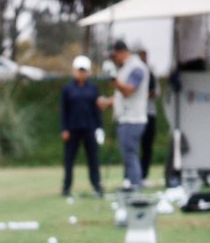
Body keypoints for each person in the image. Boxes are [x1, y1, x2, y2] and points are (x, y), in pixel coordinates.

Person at [98, 39, 148, 189]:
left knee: (130, 155)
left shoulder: (136, 67)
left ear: (122, 52)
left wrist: (113, 80)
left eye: (114, 56)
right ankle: (133, 186)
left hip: (133, 118)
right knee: (128, 155)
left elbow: (128, 91)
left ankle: (136, 187)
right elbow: (122, 96)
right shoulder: (126, 67)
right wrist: (108, 101)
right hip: (127, 118)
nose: (114, 59)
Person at [60, 54, 103, 199]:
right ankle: (66, 187)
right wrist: (64, 129)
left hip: (89, 128)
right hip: (72, 129)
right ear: (74, 71)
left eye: (84, 71)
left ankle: (97, 185)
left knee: (93, 159)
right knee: (69, 160)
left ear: (88, 72)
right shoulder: (68, 89)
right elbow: (64, 111)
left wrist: (99, 128)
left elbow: (96, 110)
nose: (81, 73)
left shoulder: (93, 89)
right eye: (79, 70)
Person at [137, 46, 159, 185]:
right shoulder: (134, 73)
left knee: (147, 147)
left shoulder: (151, 74)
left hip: (149, 114)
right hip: (135, 115)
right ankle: (130, 177)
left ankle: (144, 176)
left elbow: (155, 93)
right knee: (132, 147)